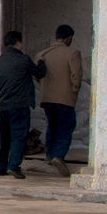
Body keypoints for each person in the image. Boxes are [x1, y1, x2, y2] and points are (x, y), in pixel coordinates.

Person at [0, 30, 38, 178]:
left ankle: (0, 167)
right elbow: (39, 73)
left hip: (1, 107)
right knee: (19, 136)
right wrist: (42, 63)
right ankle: (14, 166)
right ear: (18, 42)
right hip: (19, 106)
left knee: (4, 137)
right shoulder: (24, 60)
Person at [36, 22, 84, 169]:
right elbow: (76, 75)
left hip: (47, 98)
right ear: (69, 38)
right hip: (65, 99)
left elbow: (38, 75)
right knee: (65, 127)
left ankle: (49, 155)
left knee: (52, 126)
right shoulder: (72, 53)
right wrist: (74, 90)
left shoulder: (42, 54)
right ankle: (58, 156)